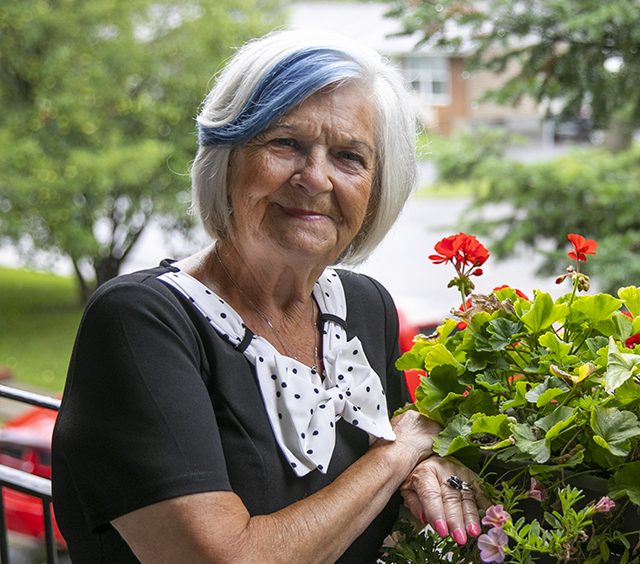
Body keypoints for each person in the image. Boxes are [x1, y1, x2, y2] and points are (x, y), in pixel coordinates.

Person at [51, 30, 487, 563]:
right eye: (286, 143)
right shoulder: (140, 321)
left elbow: (406, 469)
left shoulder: (364, 308)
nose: (315, 178)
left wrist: (429, 468)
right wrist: (400, 454)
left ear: (374, 194)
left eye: (349, 157)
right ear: (227, 158)